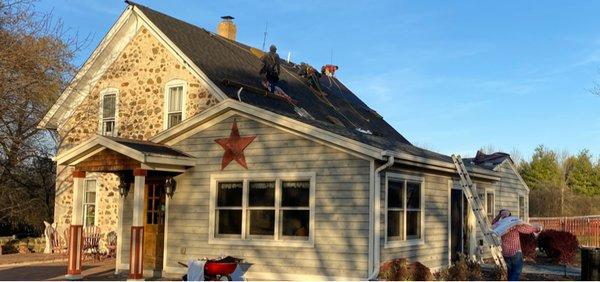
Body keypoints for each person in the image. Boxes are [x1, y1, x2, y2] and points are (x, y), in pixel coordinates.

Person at [492, 209, 541, 281]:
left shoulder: (501, 225)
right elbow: (527, 229)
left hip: (505, 253)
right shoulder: (514, 224)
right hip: (515, 252)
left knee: (510, 272)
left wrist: (499, 215)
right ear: (510, 215)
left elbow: (493, 223)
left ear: (502, 217)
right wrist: (536, 229)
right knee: (516, 272)